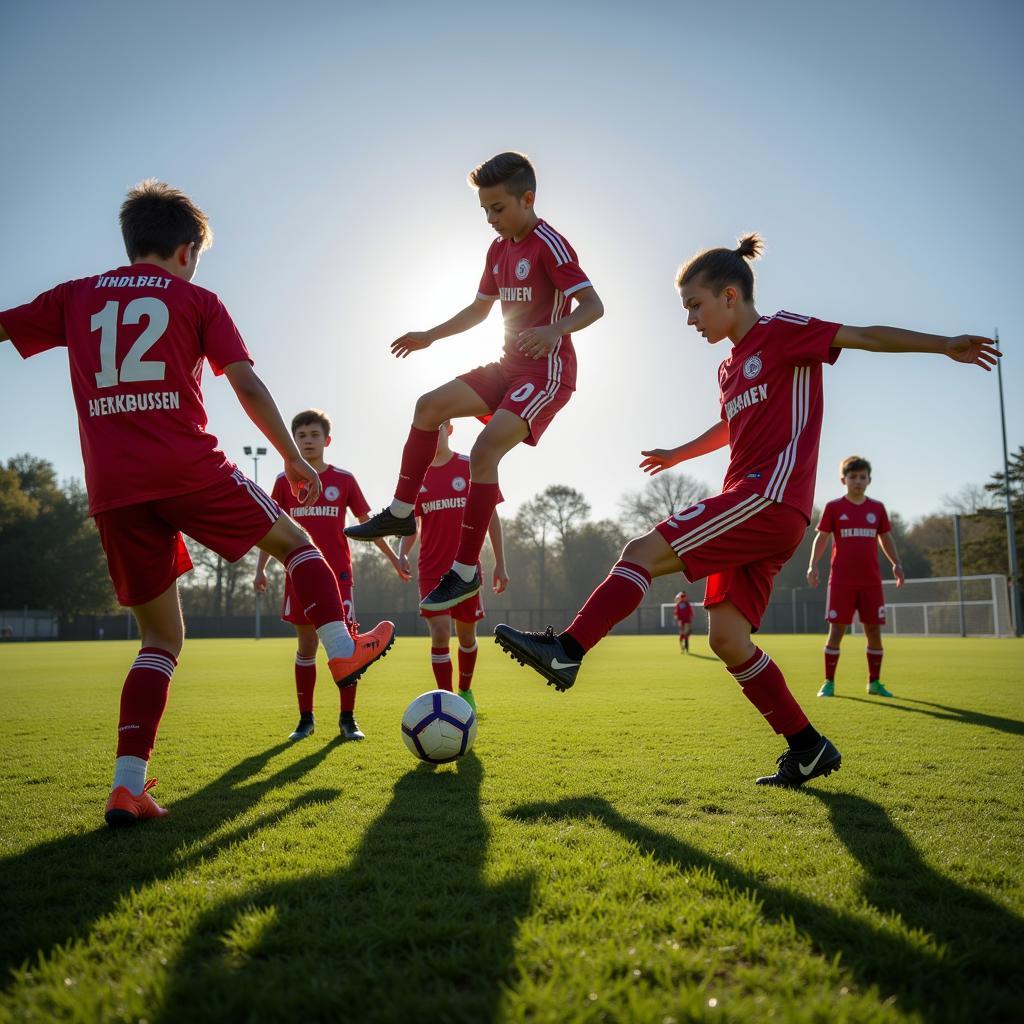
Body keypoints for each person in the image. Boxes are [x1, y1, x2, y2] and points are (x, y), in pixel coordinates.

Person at [494, 234, 998, 788]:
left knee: (639, 552)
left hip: (769, 498)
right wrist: (678, 453)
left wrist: (943, 343)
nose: (690, 320)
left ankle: (567, 650)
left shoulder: (782, 332)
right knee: (728, 640)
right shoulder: (730, 367)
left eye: (694, 305)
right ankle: (808, 748)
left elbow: (865, 335)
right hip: (753, 504)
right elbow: (733, 427)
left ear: (730, 295)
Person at [0, 180, 395, 827]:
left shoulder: (76, 298)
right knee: (297, 544)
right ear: (186, 251)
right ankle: (341, 647)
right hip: (188, 467)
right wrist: (292, 458)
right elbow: (245, 383)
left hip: (113, 489)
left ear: (133, 244)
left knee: (160, 638)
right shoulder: (197, 300)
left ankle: (128, 785)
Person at [345, 151, 603, 616]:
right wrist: (430, 335)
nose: (490, 218)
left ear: (528, 199)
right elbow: (479, 310)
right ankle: (402, 513)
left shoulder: (551, 244)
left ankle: (464, 573)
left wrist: (554, 331)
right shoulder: (497, 250)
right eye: (484, 209)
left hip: (547, 374)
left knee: (483, 451)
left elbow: (593, 305)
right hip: (507, 367)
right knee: (427, 406)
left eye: (498, 208)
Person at [254, 409, 410, 741]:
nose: (307, 441)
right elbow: (270, 527)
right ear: (293, 441)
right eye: (300, 436)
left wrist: (395, 559)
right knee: (306, 644)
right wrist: (261, 568)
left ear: (326, 441)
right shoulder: (285, 482)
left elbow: (368, 522)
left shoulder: (344, 480)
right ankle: (305, 719)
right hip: (298, 577)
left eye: (313, 435)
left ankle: (347, 719)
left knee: (347, 647)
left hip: (338, 577)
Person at [397, 423, 509, 711]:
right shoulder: (417, 476)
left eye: (439, 430)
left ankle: (465, 690)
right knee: (441, 632)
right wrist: (402, 552)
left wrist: (500, 563)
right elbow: (412, 526)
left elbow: (491, 515)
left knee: (468, 637)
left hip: (466, 570)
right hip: (432, 571)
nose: (434, 436)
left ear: (450, 429)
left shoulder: (469, 466)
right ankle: (446, 701)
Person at [806, 455, 903, 698]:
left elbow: (886, 538)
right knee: (837, 631)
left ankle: (875, 682)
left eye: (862, 477)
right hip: (841, 582)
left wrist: (896, 564)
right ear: (843, 480)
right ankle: (828, 682)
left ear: (869, 479)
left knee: (873, 631)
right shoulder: (834, 507)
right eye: (853, 477)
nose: (858, 481)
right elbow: (822, 537)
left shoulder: (877, 509)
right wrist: (812, 564)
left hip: (871, 582)